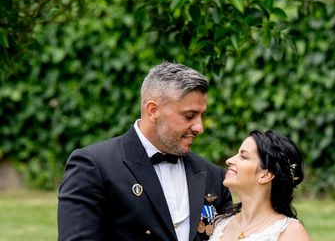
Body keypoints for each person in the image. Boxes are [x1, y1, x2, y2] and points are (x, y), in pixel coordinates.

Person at [58, 61, 233, 241]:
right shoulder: (94, 167)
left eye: (202, 116)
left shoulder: (214, 177)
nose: (199, 127)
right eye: (189, 116)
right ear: (153, 110)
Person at [209, 130, 310, 241]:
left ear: (265, 175)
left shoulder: (290, 232)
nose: (229, 160)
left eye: (244, 156)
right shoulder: (221, 225)